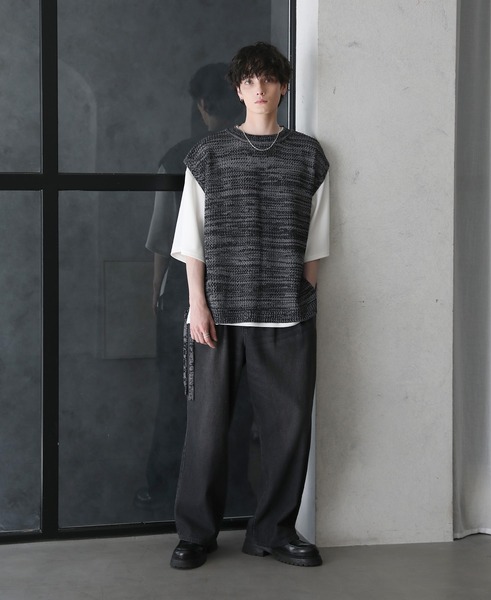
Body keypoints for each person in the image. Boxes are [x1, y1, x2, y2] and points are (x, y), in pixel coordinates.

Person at [169, 42, 330, 569]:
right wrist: (197, 305)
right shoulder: (209, 154)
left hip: (287, 313)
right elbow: (190, 237)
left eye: (268, 79)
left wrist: (304, 296)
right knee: (207, 430)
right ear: (238, 90)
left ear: (282, 86)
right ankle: (196, 534)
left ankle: (273, 532)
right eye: (249, 81)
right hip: (219, 313)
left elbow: (317, 241)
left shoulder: (308, 155)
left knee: (288, 429)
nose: (259, 89)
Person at [136, 64, 255, 516]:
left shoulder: (178, 156)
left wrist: (156, 289)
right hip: (243, 289)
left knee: (177, 392)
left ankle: (164, 488)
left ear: (203, 104)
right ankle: (234, 490)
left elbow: (163, 237)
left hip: (186, 295)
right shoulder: (257, 151)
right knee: (237, 394)